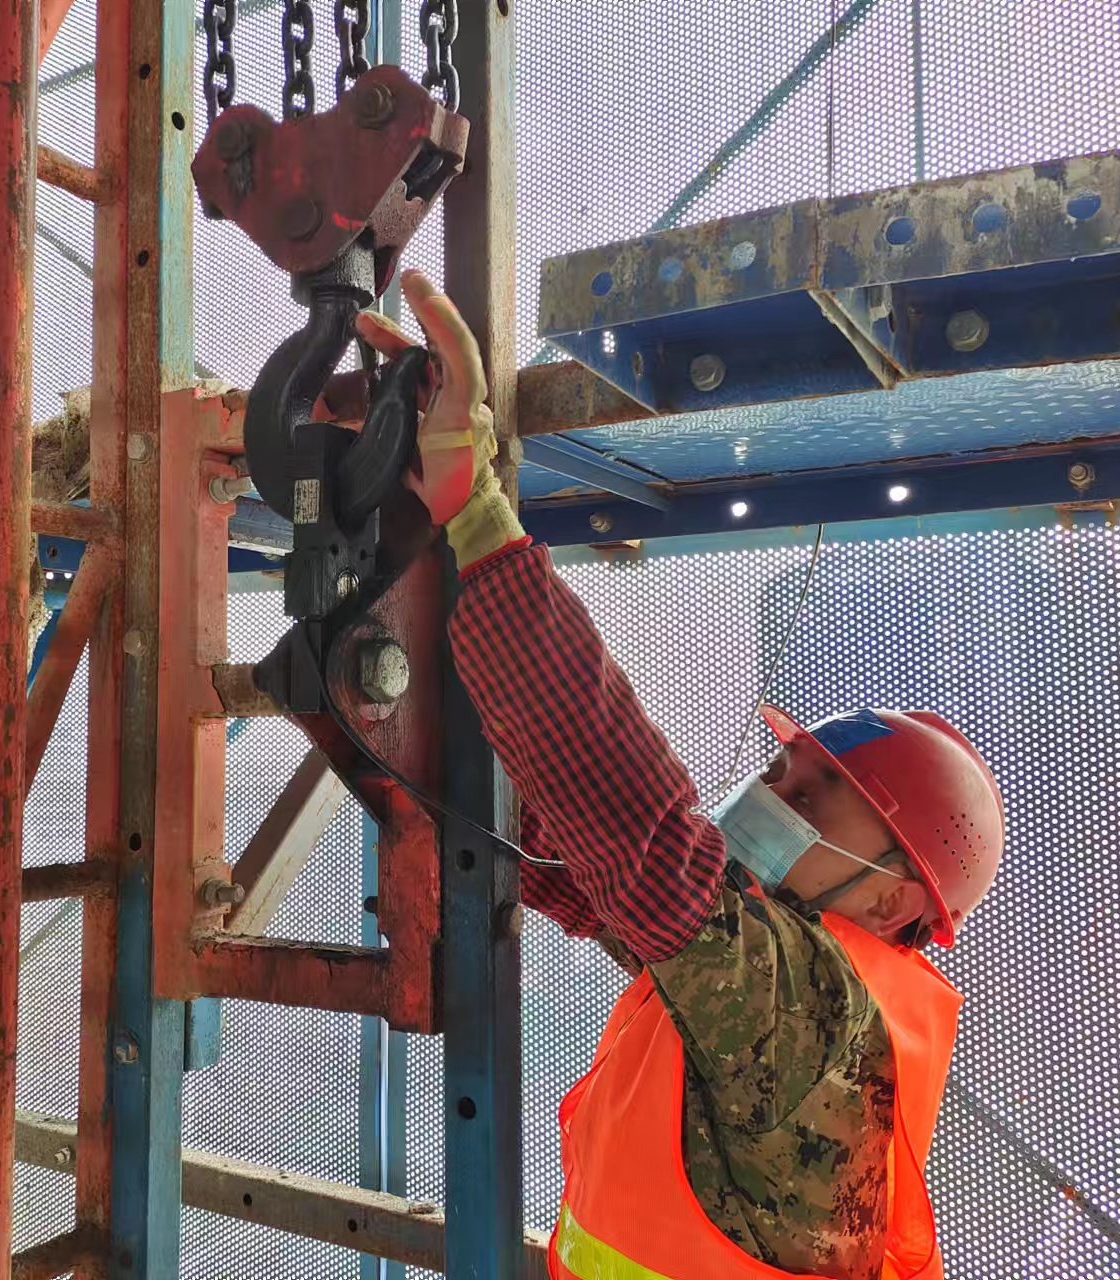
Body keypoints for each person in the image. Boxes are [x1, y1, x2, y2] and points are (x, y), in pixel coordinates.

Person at [354, 272, 1008, 1280]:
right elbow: (584, 866)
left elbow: (646, 849)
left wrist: (474, 512)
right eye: (782, 767)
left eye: (815, 793)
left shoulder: (825, 1026)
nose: (773, 793)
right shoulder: (748, 977)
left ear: (892, 897)